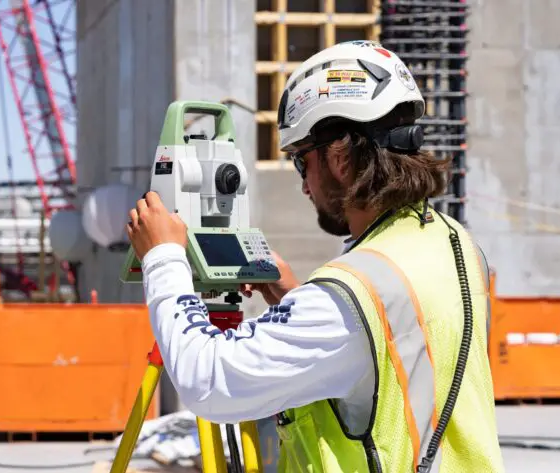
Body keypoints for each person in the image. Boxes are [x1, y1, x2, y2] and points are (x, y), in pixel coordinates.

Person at [126, 41, 504, 473]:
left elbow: (208, 381)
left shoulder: (348, 298)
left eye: (302, 162)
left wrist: (164, 258)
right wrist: (298, 298)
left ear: (340, 156)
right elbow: (390, 356)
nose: (305, 186)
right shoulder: (455, 244)